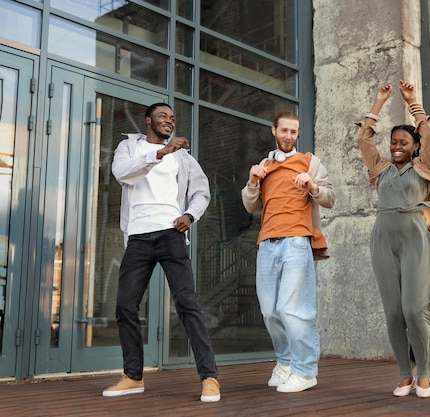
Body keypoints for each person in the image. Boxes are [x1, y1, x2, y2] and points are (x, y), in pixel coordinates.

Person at [102, 103, 220, 402]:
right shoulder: (129, 148)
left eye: (172, 117)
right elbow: (121, 173)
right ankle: (133, 376)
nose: (169, 120)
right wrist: (161, 153)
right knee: (125, 306)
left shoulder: (183, 157)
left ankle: (209, 377)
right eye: (163, 116)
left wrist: (190, 215)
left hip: (171, 234)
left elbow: (201, 190)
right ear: (148, 120)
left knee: (187, 305)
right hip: (139, 236)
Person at [357, 80, 430, 398]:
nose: (396, 146)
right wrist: (378, 103)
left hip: (414, 241)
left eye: (403, 142)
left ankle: (425, 373)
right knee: (392, 311)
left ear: (414, 146)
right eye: (394, 142)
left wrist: (412, 102)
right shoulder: (380, 170)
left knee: (413, 310)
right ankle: (404, 374)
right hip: (382, 241)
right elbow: (365, 138)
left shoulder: (423, 167)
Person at [241, 111, 335, 393]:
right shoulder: (264, 165)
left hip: (296, 241)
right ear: (274, 131)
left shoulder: (309, 162)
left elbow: (330, 198)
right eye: (284, 131)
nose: (288, 136)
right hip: (267, 243)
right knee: (270, 311)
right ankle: (285, 363)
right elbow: (250, 206)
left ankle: (305, 370)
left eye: (293, 132)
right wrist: (251, 182)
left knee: (293, 308)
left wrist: (312, 186)